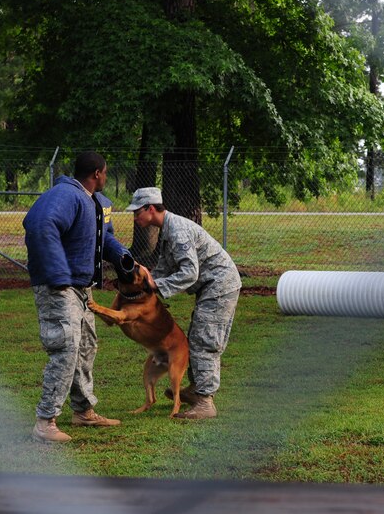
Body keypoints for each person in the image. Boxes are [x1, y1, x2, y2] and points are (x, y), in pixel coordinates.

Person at [23, 152, 133, 442]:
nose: (106, 177)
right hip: (59, 286)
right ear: (97, 173)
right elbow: (40, 225)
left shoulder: (95, 201)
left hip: (81, 289)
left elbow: (103, 237)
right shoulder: (65, 196)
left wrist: (123, 258)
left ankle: (83, 411)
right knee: (66, 347)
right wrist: (58, 274)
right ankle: (45, 422)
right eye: (106, 172)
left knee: (85, 346)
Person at [129, 187, 241, 419]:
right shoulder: (167, 229)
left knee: (205, 339)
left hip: (220, 285)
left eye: (137, 212)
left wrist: (157, 286)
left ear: (151, 209)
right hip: (211, 286)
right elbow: (164, 266)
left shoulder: (178, 231)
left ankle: (205, 402)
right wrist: (142, 284)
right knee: (198, 335)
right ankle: (196, 389)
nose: (135, 217)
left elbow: (190, 272)